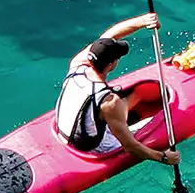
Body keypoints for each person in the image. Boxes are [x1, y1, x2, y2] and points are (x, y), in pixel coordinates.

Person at [56, 14, 181, 164]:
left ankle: (129, 106)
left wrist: (143, 21)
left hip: (65, 130)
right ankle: (129, 118)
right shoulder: (109, 101)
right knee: (151, 122)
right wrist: (164, 157)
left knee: (136, 95)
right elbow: (130, 147)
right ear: (111, 65)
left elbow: (111, 34)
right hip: (91, 147)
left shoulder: (77, 64)